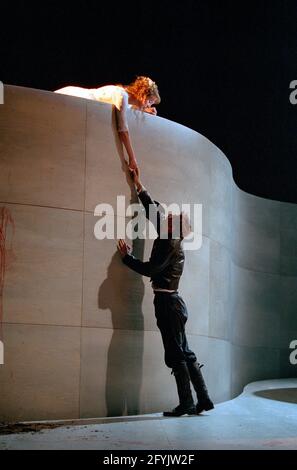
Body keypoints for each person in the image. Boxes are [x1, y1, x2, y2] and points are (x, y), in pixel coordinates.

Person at [117, 168, 214, 417]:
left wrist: (127, 258)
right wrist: (139, 185)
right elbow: (152, 211)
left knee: (175, 354)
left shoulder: (169, 243)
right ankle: (203, 400)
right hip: (173, 302)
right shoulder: (169, 234)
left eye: (171, 216)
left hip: (167, 304)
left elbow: (150, 269)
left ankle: (188, 404)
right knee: (185, 351)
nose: (166, 215)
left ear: (176, 226)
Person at [55, 76, 160, 170]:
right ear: (142, 95)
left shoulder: (126, 99)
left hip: (81, 108)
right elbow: (123, 130)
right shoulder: (122, 96)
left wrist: (144, 110)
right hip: (73, 98)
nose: (149, 105)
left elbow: (130, 106)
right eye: (150, 101)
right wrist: (132, 158)